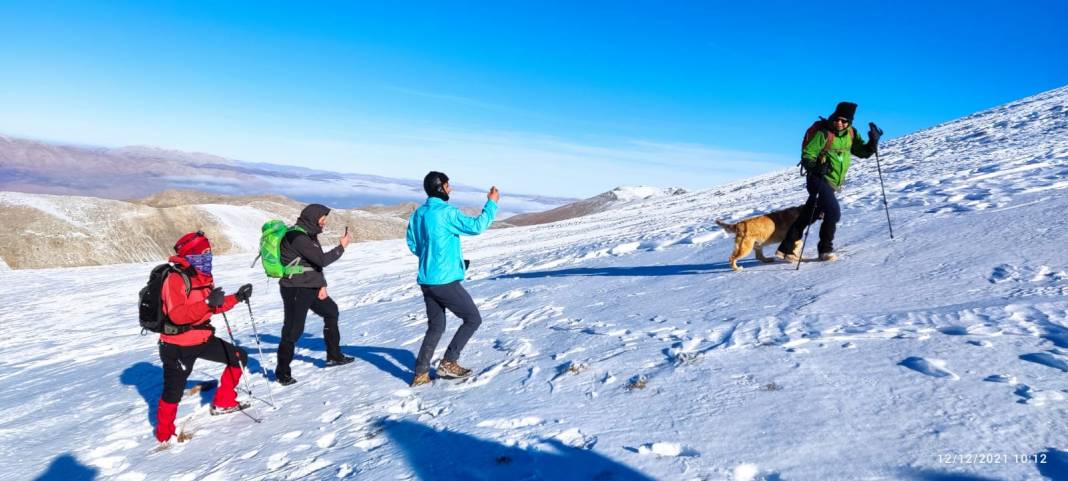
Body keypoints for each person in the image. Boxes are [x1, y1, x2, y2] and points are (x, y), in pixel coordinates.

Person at [156, 231, 254, 443]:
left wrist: (236, 297)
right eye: (204, 253)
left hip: (202, 337)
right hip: (177, 344)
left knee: (237, 356)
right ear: (192, 254)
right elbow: (177, 315)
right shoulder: (175, 279)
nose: (208, 258)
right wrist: (208, 303)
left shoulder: (203, 277)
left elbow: (212, 307)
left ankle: (224, 401)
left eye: (209, 254)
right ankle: (164, 435)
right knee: (172, 392)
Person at [406, 171, 499, 387]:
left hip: (427, 279)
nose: (450, 190)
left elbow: (413, 243)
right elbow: (477, 227)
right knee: (473, 318)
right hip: (444, 281)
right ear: (441, 188)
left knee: (436, 326)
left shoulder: (419, 213)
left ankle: (420, 373)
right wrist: (491, 203)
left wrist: (436, 258)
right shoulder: (446, 212)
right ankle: (448, 362)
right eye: (448, 186)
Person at [776, 101, 882, 262]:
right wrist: (817, 167)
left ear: (849, 122)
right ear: (833, 117)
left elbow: (863, 153)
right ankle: (825, 250)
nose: (839, 123)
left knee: (809, 214)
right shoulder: (824, 133)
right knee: (833, 213)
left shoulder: (851, 134)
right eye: (837, 119)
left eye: (844, 121)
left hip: (832, 182)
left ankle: (785, 249)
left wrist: (873, 141)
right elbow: (807, 155)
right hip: (818, 179)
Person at [275, 204, 353, 386]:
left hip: (310, 286)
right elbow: (321, 260)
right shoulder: (297, 236)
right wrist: (341, 247)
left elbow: (313, 264)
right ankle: (282, 372)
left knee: (331, 311)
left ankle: (334, 356)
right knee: (293, 330)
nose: (324, 222)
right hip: (295, 288)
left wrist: (322, 285)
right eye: (322, 218)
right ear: (313, 217)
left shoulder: (309, 234)